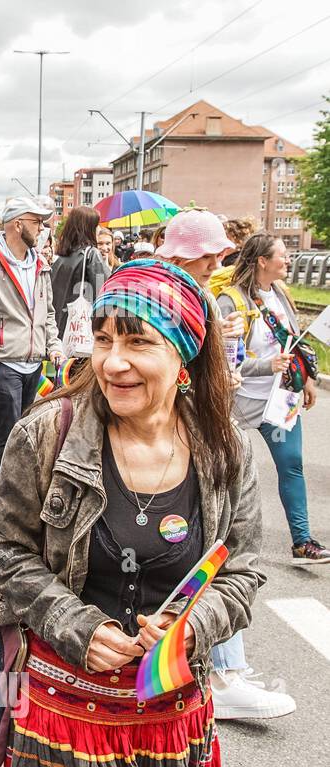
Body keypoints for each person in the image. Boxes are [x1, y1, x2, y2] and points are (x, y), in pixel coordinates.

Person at [0, 259, 264, 767]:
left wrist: (194, 628)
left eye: (139, 342)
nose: (112, 362)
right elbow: (3, 550)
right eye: (104, 339)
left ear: (183, 355)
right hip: (63, 723)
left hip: (171, 721)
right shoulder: (46, 434)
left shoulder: (225, 449)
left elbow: (242, 569)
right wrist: (77, 625)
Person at [158, 218, 297, 720]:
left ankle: (222, 667)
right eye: (211, 255)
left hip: (196, 431)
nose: (219, 263)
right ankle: (222, 673)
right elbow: (182, 375)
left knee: (212, 549)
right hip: (186, 437)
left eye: (222, 255)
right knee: (212, 550)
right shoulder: (174, 296)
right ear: (186, 255)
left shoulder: (189, 291)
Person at [216, 235, 327, 564]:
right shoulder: (231, 301)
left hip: (279, 401)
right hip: (237, 400)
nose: (288, 260)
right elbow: (223, 361)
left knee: (292, 466)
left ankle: (303, 542)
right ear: (262, 261)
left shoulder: (281, 295)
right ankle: (213, 543)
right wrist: (266, 366)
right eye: (282, 255)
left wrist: (305, 379)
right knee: (224, 472)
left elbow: (292, 344)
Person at [0, 195, 63, 509]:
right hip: (2, 362)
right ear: (18, 224)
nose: (42, 228)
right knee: (7, 430)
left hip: (34, 362)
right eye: (36, 222)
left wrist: (54, 345)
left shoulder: (40, 264)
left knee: (22, 429)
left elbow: (47, 312)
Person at [51, 206, 111, 339]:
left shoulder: (60, 258)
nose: (99, 229)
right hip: (80, 331)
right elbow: (105, 293)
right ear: (88, 228)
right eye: (96, 225)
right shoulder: (91, 255)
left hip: (57, 329)